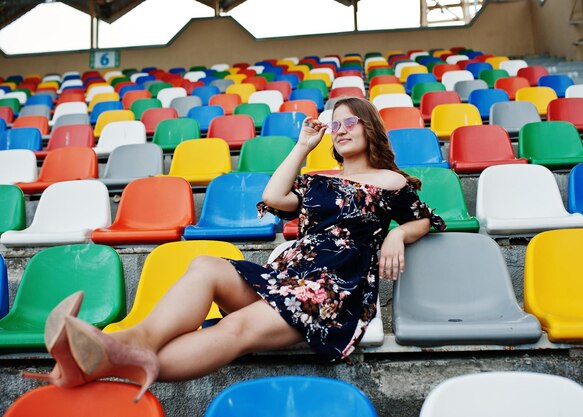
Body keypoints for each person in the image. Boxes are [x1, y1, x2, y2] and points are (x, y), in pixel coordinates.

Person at [24, 96, 446, 401]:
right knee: (206, 266)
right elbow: (274, 195)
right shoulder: (317, 180)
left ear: (370, 126)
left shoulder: (393, 182)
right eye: (335, 124)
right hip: (287, 277)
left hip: (329, 291)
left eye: (351, 121)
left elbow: (424, 218)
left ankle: (111, 355)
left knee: (235, 330)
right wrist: (302, 145)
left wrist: (396, 234)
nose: (340, 129)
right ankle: (124, 348)